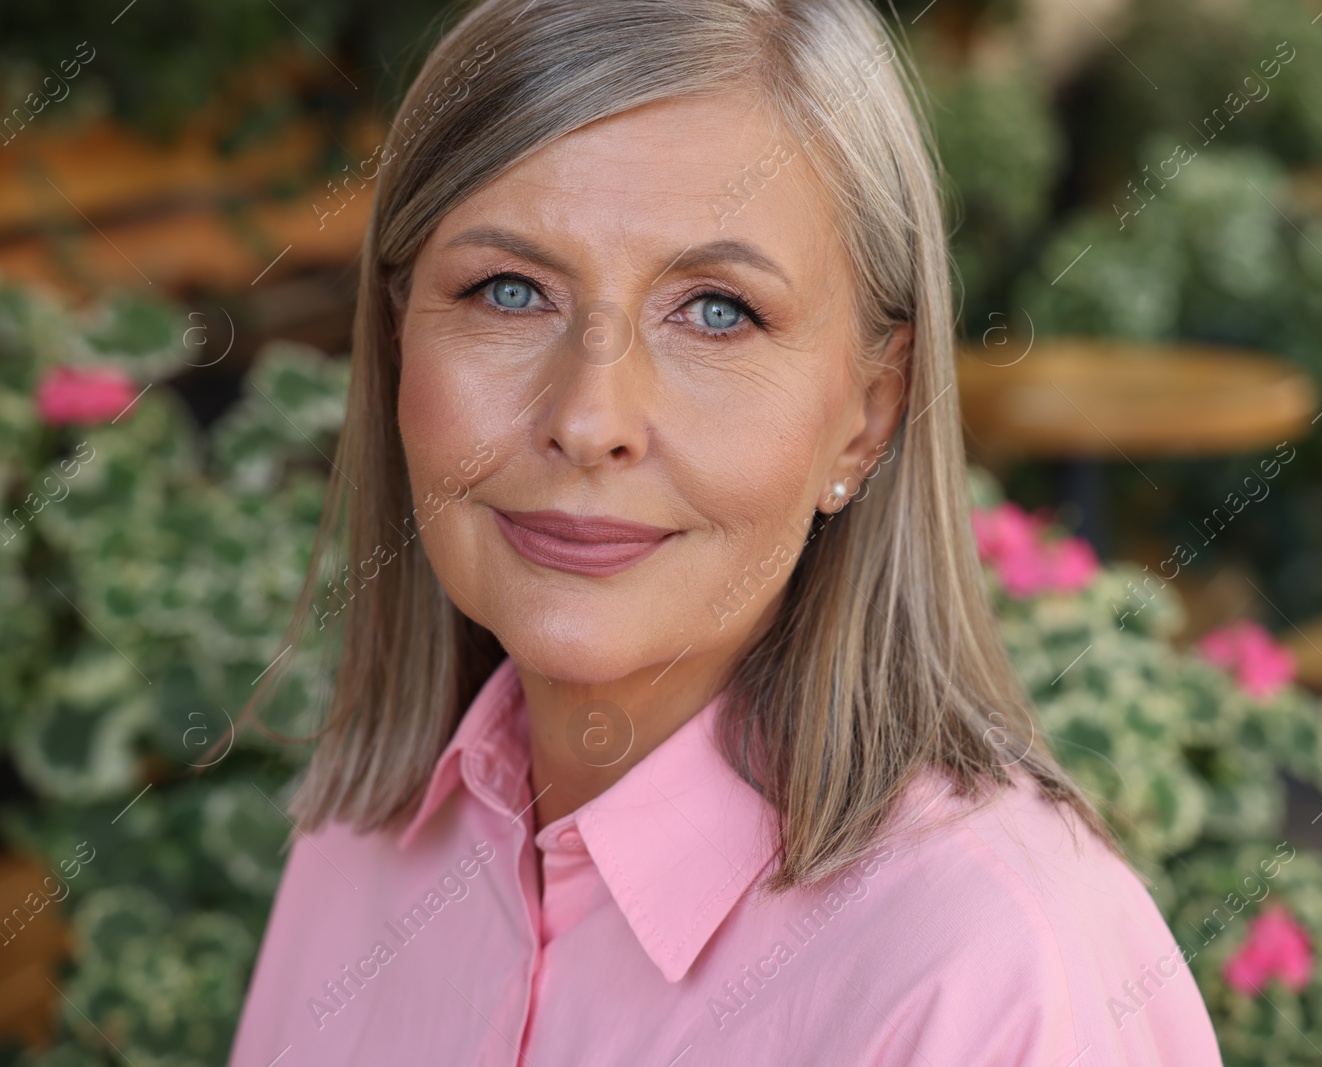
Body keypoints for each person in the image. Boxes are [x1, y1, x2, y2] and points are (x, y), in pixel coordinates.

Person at [228, 0, 1224, 1063]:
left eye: (715, 311)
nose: (588, 419)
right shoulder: (360, 838)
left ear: (869, 411)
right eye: (508, 290)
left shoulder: (1000, 979)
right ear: (395, 346)